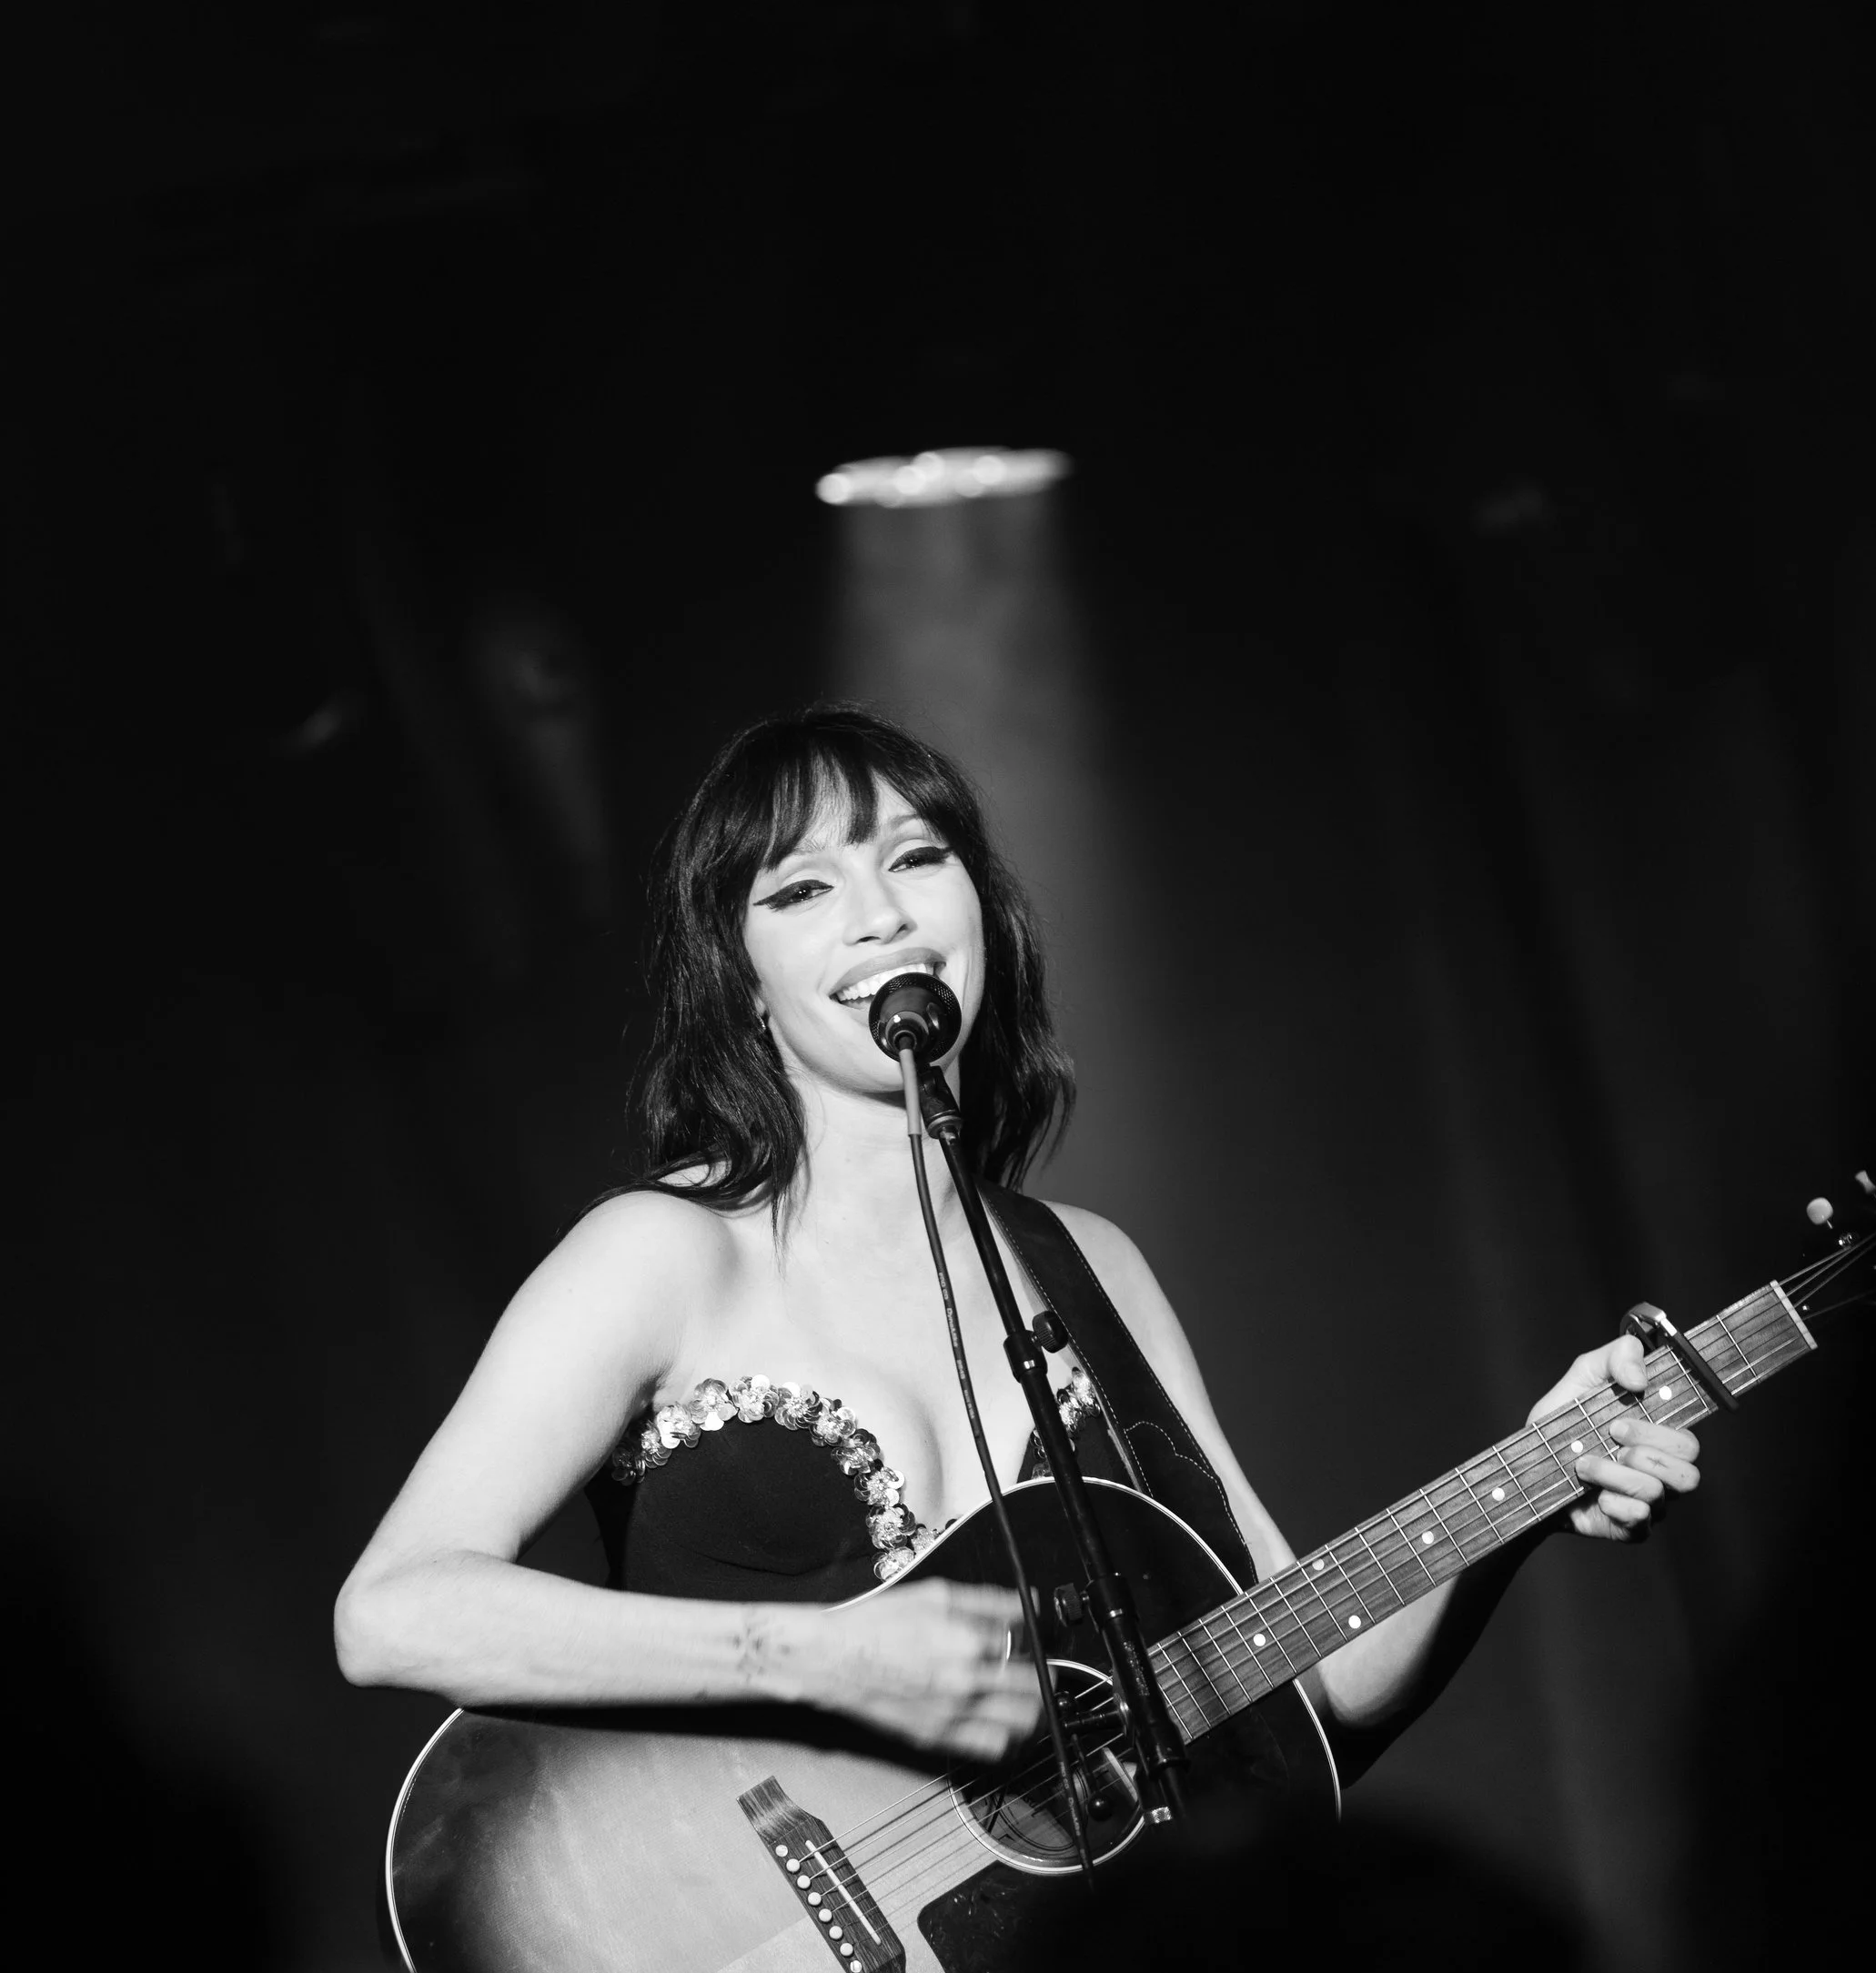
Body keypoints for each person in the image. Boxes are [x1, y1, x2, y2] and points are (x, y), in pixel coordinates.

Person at [335, 707, 1700, 1782]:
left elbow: (1312, 1680)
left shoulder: (1087, 1264)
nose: (882, 913)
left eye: (918, 857)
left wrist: (1529, 1488)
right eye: (802, 888)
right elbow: (394, 1611)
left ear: (982, 912)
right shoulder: (664, 1253)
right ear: (739, 984)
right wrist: (815, 1657)